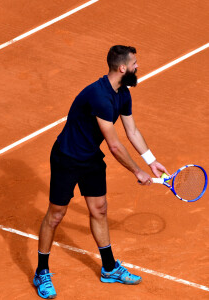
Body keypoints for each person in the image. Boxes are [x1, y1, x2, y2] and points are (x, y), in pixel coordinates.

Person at [33, 45, 168, 299]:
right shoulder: (100, 97)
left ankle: (108, 268)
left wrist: (151, 161)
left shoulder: (123, 93)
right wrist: (137, 172)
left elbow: (132, 131)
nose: (138, 66)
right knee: (56, 215)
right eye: (135, 63)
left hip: (90, 157)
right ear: (122, 68)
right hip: (67, 157)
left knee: (100, 209)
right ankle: (41, 271)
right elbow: (115, 146)